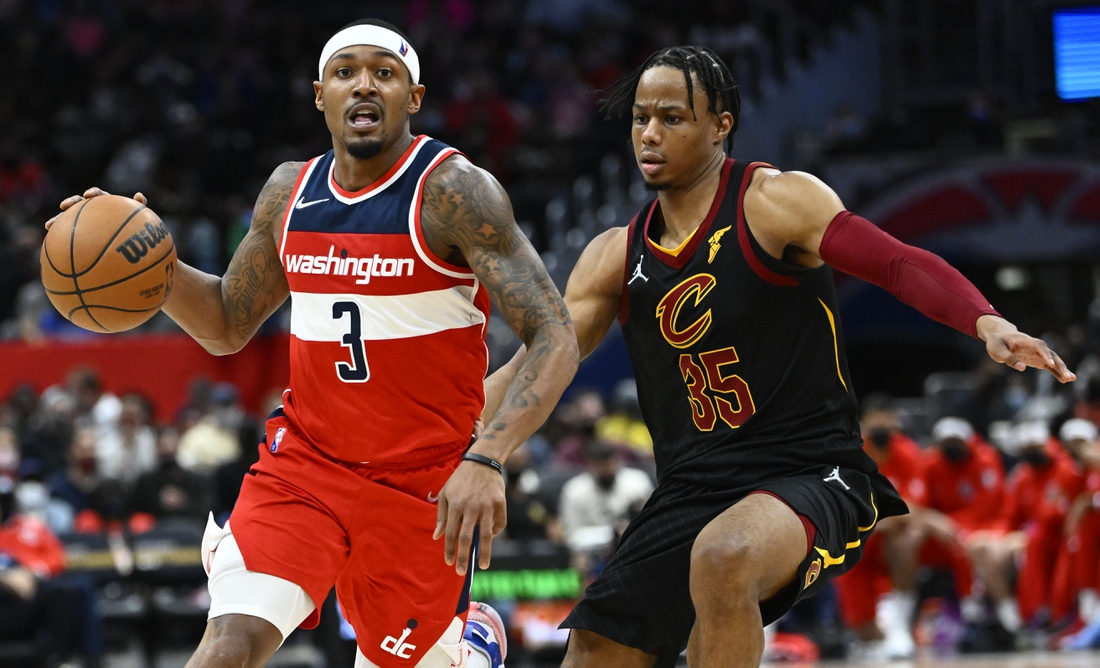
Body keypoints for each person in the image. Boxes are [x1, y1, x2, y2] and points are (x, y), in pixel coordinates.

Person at [483, 45, 1075, 667]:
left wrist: (984, 319)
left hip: (810, 472)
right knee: (597, 643)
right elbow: (539, 363)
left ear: (720, 125)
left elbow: (896, 262)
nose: (649, 134)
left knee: (723, 557)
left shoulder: (773, 201)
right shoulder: (612, 255)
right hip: (692, 488)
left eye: (672, 117)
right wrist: (467, 441)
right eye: (639, 118)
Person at [49, 18, 577, 668]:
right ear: (319, 93)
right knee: (228, 646)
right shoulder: (289, 192)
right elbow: (224, 322)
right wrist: (151, 261)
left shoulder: (454, 193)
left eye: (384, 74)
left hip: (423, 489)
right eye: (346, 71)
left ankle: (469, 646)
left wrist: (489, 457)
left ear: (413, 97)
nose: (364, 85)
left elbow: (554, 333)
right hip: (306, 468)